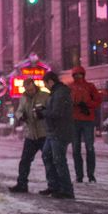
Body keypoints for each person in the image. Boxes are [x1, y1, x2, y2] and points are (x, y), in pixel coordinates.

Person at [9, 78, 51, 193]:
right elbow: (18, 111)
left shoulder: (44, 96)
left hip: (44, 134)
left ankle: (53, 186)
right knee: (25, 160)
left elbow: (52, 111)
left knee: (48, 160)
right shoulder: (23, 98)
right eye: (28, 90)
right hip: (30, 135)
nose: (30, 92)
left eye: (31, 89)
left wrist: (43, 113)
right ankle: (22, 184)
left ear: (35, 86)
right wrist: (21, 116)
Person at [39, 71, 75, 199]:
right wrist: (44, 112)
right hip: (53, 132)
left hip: (59, 132)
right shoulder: (56, 93)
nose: (45, 87)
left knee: (59, 160)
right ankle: (54, 186)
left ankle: (66, 190)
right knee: (47, 156)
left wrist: (43, 112)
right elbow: (54, 112)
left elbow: (57, 113)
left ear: (50, 81)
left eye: (45, 84)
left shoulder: (60, 94)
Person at [69, 66, 101, 183]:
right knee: (76, 148)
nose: (78, 76)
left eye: (79, 74)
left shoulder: (90, 87)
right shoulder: (70, 87)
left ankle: (90, 175)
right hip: (75, 120)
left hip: (87, 120)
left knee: (89, 147)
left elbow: (98, 100)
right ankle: (79, 175)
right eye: (76, 75)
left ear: (83, 74)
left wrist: (87, 104)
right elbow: (66, 102)